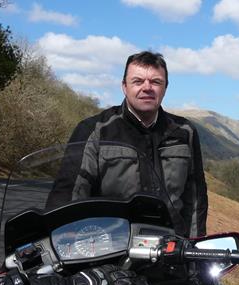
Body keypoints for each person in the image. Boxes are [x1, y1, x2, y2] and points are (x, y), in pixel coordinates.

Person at [47, 51, 208, 238]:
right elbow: (69, 194)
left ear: (165, 87)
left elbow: (195, 199)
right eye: (138, 81)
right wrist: (61, 245)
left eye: (156, 82)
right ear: (124, 86)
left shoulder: (185, 131)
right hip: (110, 248)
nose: (147, 88)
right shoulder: (95, 129)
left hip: (170, 250)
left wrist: (195, 249)